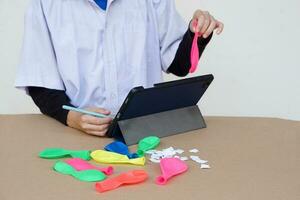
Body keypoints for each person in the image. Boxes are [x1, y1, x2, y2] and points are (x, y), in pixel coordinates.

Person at [15, 0, 224, 137]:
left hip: (145, 135)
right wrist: (72, 118)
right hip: (78, 136)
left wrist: (196, 33)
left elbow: (179, 65)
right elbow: (39, 82)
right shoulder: (44, 4)